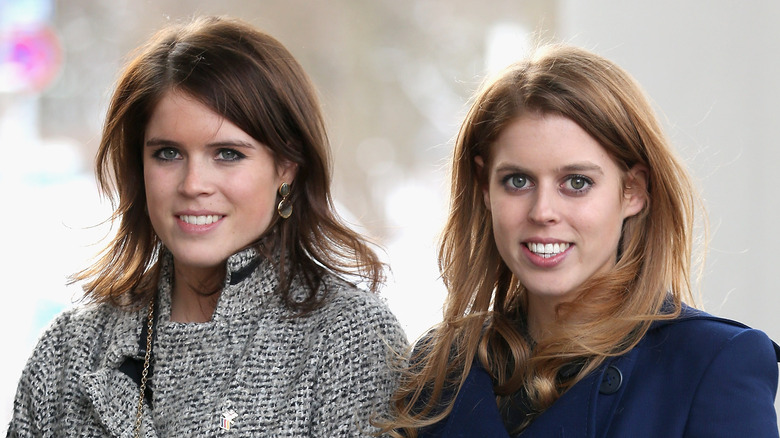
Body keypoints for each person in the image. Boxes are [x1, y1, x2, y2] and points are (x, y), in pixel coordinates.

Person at [6, 16, 407, 438]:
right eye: (167, 153)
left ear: (286, 167)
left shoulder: (350, 339)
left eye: (228, 154)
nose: (193, 185)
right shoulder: (71, 347)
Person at [381, 44, 780, 437]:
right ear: (486, 188)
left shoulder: (712, 364)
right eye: (517, 181)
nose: (542, 211)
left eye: (577, 183)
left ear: (633, 191)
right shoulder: (441, 367)